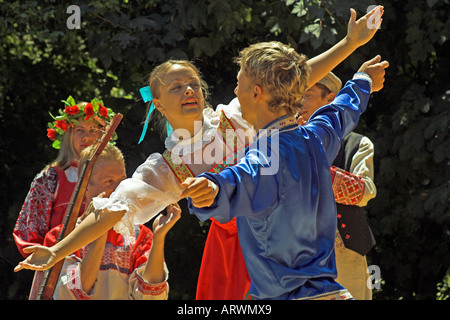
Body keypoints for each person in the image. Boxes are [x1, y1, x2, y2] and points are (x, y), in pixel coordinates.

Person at [14, 6, 384, 300]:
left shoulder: (232, 118)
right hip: (236, 247)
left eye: (193, 83)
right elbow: (112, 210)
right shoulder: (166, 169)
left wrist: (351, 43)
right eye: (176, 87)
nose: (188, 90)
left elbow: (286, 80)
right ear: (158, 104)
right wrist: (59, 251)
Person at [181, 42, 389, 300]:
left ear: (256, 92)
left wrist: (212, 188)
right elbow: (342, 110)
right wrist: (363, 79)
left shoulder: (267, 155)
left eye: (239, 83)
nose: (235, 91)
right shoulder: (315, 137)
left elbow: (239, 179)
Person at [42, 144, 179, 300]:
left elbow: (152, 297)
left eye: (122, 181)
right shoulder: (62, 237)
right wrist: (101, 226)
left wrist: (159, 239)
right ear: (84, 188)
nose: (119, 189)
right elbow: (69, 296)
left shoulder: (140, 235)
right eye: (109, 182)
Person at [12, 96, 117, 298]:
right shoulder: (50, 178)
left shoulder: (114, 178)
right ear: (68, 136)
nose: (87, 136)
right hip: (59, 270)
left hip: (106, 268)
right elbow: (29, 231)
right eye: (80, 131)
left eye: (94, 130)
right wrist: (48, 255)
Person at [298, 72, 377, 300]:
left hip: (344, 258)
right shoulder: (282, 141)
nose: (298, 103)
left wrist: (315, 166)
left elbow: (366, 192)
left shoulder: (356, 143)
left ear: (330, 99)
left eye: (307, 95)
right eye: (295, 96)